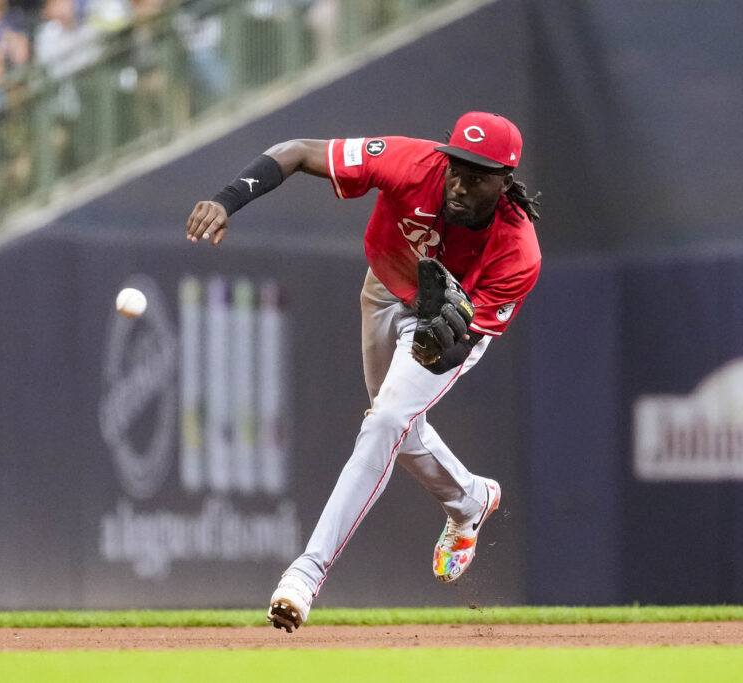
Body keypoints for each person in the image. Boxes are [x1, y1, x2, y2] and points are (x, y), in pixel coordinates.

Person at [185, 112, 542, 632]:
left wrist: (438, 344)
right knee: (394, 425)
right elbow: (297, 150)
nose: (460, 184)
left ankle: (305, 574)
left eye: (478, 176)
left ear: (505, 182)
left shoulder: (518, 252)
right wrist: (226, 200)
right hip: (383, 289)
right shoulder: (412, 163)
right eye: (457, 167)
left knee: (386, 421)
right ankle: (470, 500)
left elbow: (454, 351)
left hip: (448, 329)